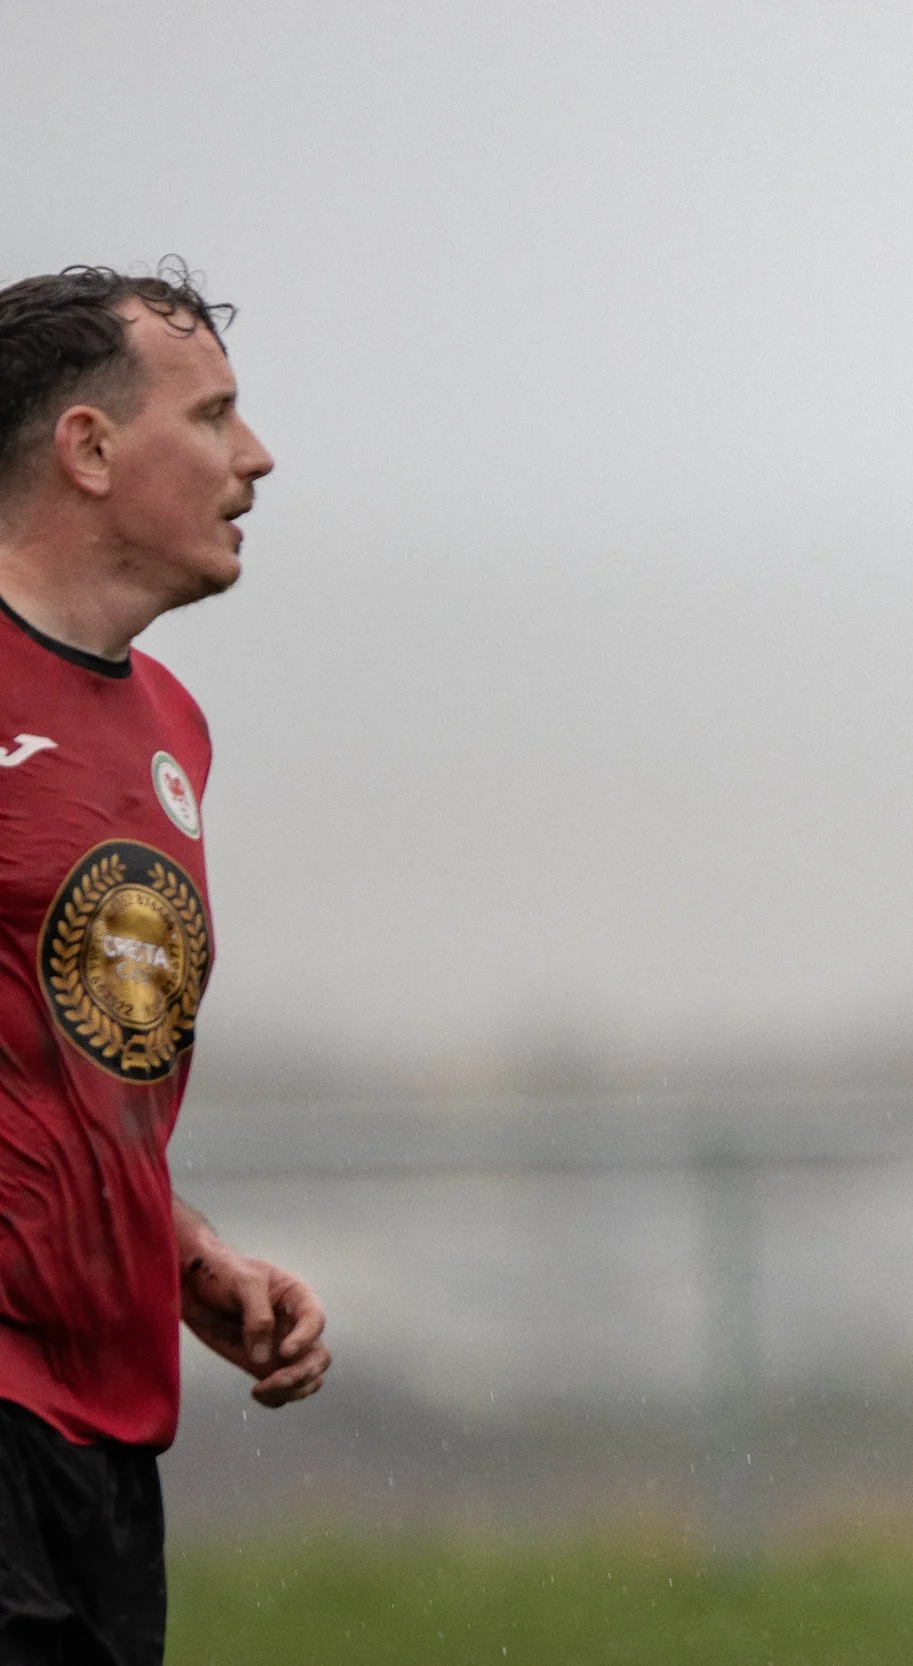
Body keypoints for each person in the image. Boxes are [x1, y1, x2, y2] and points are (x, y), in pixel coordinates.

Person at [0, 267, 330, 1666]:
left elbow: (57, 1059)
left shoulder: (170, 726)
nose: (255, 458)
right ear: (88, 448)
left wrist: (181, 1251)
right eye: (213, 417)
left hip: (105, 1436)